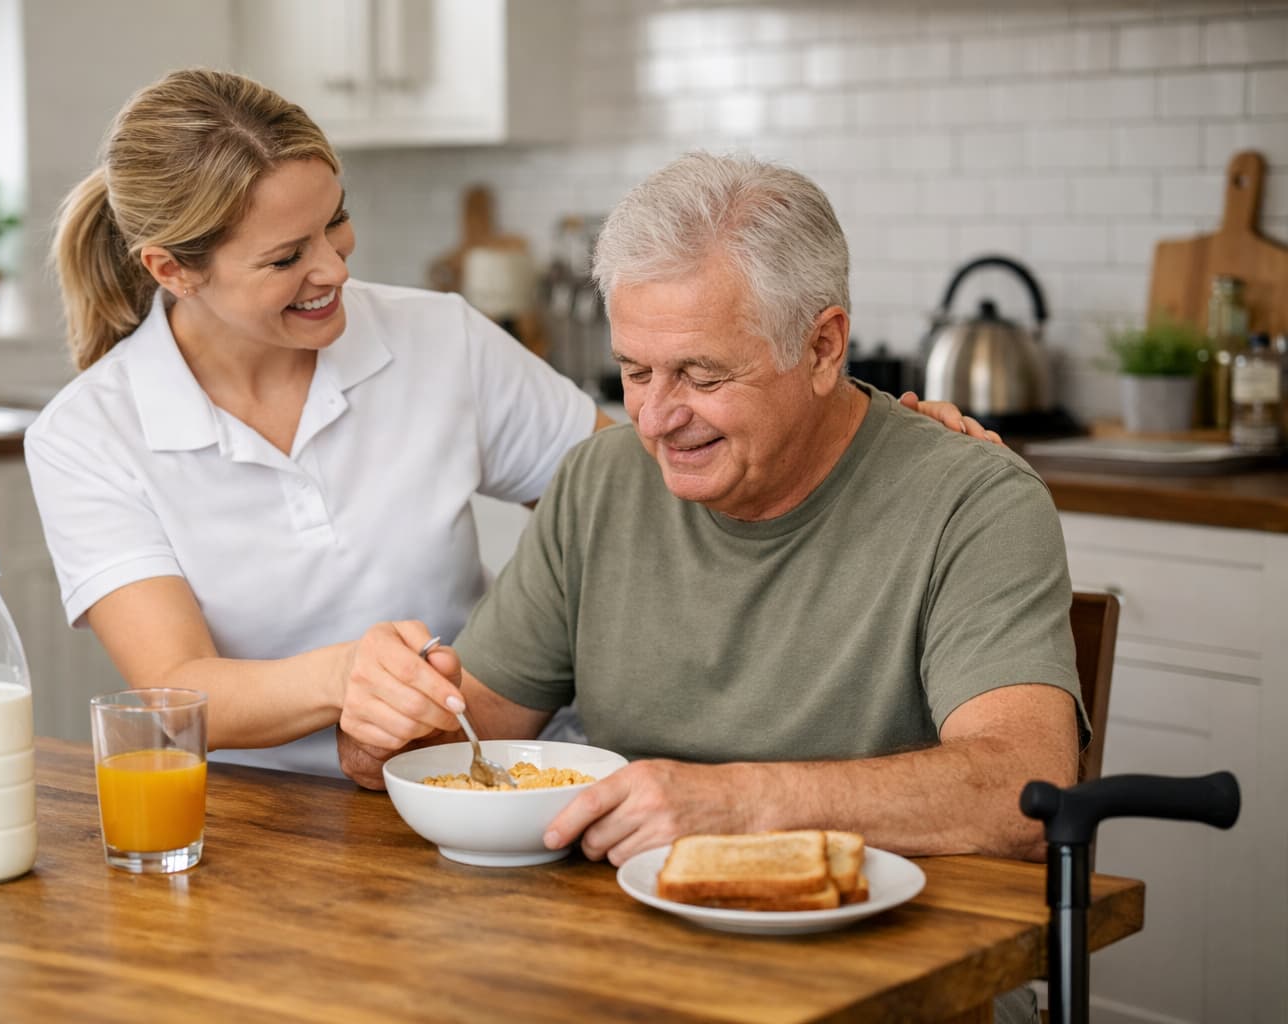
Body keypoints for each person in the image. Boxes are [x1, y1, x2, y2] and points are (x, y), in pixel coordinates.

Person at [26, 69, 996, 779]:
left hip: (469, 790)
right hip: (257, 826)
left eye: (338, 222)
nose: (333, 268)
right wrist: (349, 675)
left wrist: (869, 444)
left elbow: (648, 483)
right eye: (286, 257)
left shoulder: (436, 338)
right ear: (171, 271)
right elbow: (177, 688)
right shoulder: (89, 433)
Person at [336, 152, 1084, 870]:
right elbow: (466, 741)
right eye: (634, 371)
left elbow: (1026, 792)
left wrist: (736, 803)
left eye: (701, 374)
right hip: (635, 950)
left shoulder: (972, 503)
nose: (657, 419)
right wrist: (382, 732)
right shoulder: (600, 483)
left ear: (823, 348)